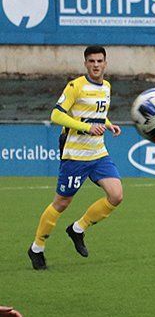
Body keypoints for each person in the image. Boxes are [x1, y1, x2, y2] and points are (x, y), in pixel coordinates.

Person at [27, 45, 123, 270]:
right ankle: (37, 247)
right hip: (75, 156)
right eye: (92, 61)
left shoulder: (106, 87)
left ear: (105, 63)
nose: (96, 65)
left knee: (116, 195)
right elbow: (56, 115)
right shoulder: (76, 86)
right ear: (86, 63)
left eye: (100, 61)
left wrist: (108, 125)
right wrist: (86, 127)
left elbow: (97, 114)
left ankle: (78, 229)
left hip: (99, 153)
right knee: (61, 203)